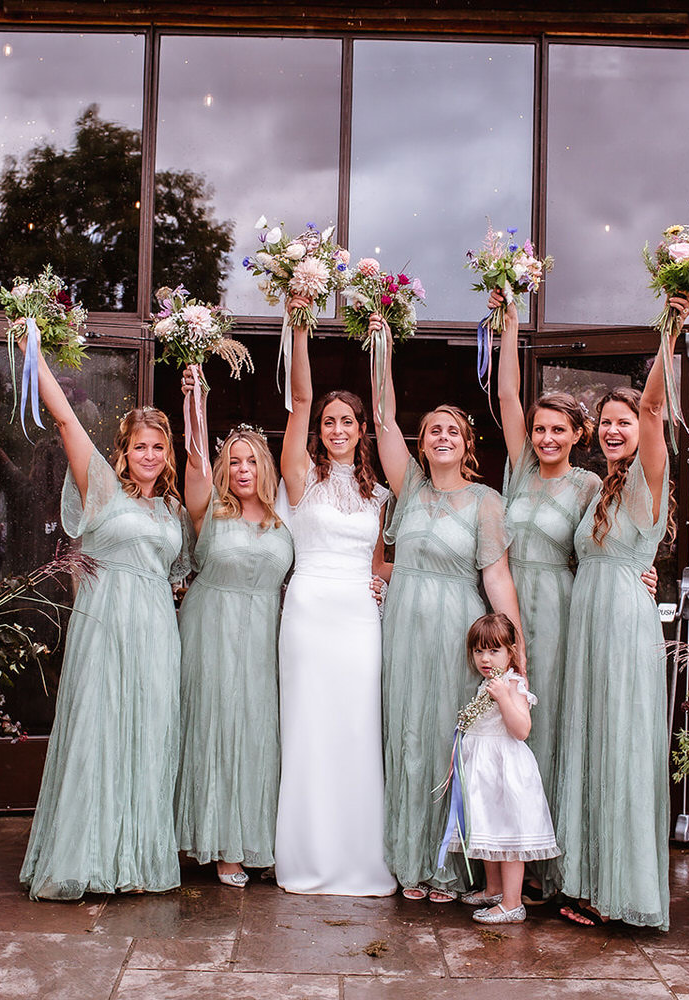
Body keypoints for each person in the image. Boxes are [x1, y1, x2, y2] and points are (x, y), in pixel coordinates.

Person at [491, 289, 656, 899]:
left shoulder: (592, 485)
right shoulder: (520, 470)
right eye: (540, 429)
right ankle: (509, 857)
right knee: (506, 731)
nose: (546, 438)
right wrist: (508, 322)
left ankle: (552, 868)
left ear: (578, 434)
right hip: (508, 611)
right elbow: (507, 395)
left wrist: (641, 571)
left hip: (563, 616)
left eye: (559, 430)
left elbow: (611, 540)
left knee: (553, 730)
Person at [19, 348, 190, 900]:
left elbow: (180, 575)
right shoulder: (102, 488)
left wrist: (196, 398)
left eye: (157, 446)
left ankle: (135, 859)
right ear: (123, 451)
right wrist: (33, 350)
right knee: (99, 731)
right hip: (105, 624)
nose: (148, 453)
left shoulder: (173, 512)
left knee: (149, 737)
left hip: (158, 633)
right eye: (139, 445)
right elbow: (65, 417)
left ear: (168, 455)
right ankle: (85, 858)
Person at [369, 312, 524, 903]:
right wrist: (380, 345)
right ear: (421, 442)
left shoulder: (486, 501)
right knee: (405, 736)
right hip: (404, 631)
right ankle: (409, 860)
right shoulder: (408, 489)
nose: (440, 438)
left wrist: (515, 648)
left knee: (447, 742)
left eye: (451, 432)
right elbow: (382, 419)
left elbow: (499, 578)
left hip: (457, 635)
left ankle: (447, 868)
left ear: (466, 445)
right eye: (431, 430)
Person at [553, 296, 689, 931]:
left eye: (623, 423)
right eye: (605, 422)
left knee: (621, 747)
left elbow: (657, 407)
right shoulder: (597, 486)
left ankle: (620, 888)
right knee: (589, 743)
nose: (612, 430)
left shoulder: (649, 476)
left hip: (624, 629)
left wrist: (669, 328)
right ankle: (585, 880)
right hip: (588, 624)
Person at [272, 295, 396, 896]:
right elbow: (298, 401)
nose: (338, 429)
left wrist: (387, 580)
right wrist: (299, 328)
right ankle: (306, 855)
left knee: (355, 728)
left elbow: (386, 562)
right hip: (309, 612)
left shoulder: (379, 496)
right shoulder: (300, 477)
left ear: (361, 430)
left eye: (348, 421)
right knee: (308, 728)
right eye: (330, 422)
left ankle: (359, 856)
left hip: (358, 617)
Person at [174, 365, 294, 888]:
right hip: (211, 631)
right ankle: (221, 846)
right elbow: (195, 462)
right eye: (234, 461)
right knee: (215, 727)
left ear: (265, 466)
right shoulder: (209, 511)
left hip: (265, 636)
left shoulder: (285, 518)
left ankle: (252, 838)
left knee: (257, 734)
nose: (242, 469)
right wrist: (196, 402)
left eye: (251, 461)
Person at [442, 613, 559, 924]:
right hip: (483, 770)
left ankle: (511, 902)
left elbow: (521, 729)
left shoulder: (513, 684)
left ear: (511, 651)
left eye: (494, 650)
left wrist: (505, 698)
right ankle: (493, 889)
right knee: (486, 830)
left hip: (505, 770)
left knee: (508, 834)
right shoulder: (489, 682)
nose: (484, 658)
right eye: (479, 651)